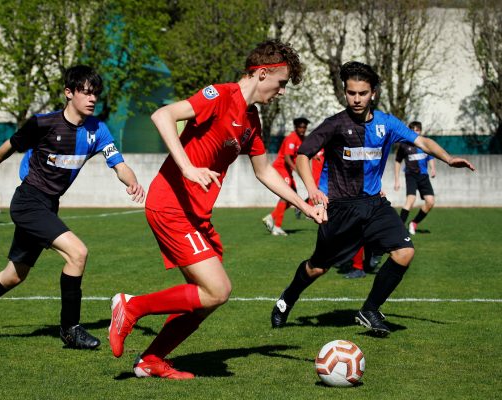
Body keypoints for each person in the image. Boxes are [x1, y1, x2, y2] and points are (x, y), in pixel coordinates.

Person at [107, 39, 326, 379]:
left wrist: (305, 204)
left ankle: (151, 359)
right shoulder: (220, 95)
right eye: (281, 83)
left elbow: (264, 170)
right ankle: (130, 307)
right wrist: (186, 168)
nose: (281, 92)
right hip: (170, 205)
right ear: (263, 73)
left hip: (196, 216)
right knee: (218, 290)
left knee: (205, 299)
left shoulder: (251, 119)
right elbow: (162, 115)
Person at [0, 65, 145, 349]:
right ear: (68, 93)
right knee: (78, 253)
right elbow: (9, 146)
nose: (91, 98)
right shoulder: (44, 123)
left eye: (95, 93)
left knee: (14, 275)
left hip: (47, 206)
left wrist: (132, 182)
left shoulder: (97, 129)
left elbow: (118, 164)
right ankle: (70, 329)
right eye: (85, 92)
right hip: (28, 202)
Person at [270, 61, 475, 335]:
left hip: (375, 204)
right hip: (340, 208)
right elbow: (304, 155)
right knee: (317, 268)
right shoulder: (334, 125)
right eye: (351, 93)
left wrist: (448, 158)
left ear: (373, 93)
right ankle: (288, 298)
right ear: (345, 92)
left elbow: (421, 142)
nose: (356, 99)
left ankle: (369, 310)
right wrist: (312, 190)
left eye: (362, 93)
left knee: (404, 252)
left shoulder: (386, 123)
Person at [262, 117, 309, 236]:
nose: (303, 129)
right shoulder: (291, 138)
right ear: (295, 127)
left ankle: (271, 217)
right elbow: (287, 157)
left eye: (304, 127)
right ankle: (277, 226)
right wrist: (296, 169)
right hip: (281, 168)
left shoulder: (301, 139)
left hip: (288, 171)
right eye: (300, 127)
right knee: (286, 195)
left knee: (292, 197)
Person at [394, 121, 436, 235]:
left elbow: (430, 156)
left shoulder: (425, 143)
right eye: (413, 130)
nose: (415, 132)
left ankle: (414, 223)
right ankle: (399, 229)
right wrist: (397, 180)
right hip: (411, 175)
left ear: (420, 131)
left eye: (417, 130)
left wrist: (433, 168)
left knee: (430, 202)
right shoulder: (404, 145)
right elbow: (398, 161)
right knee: (410, 200)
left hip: (423, 176)